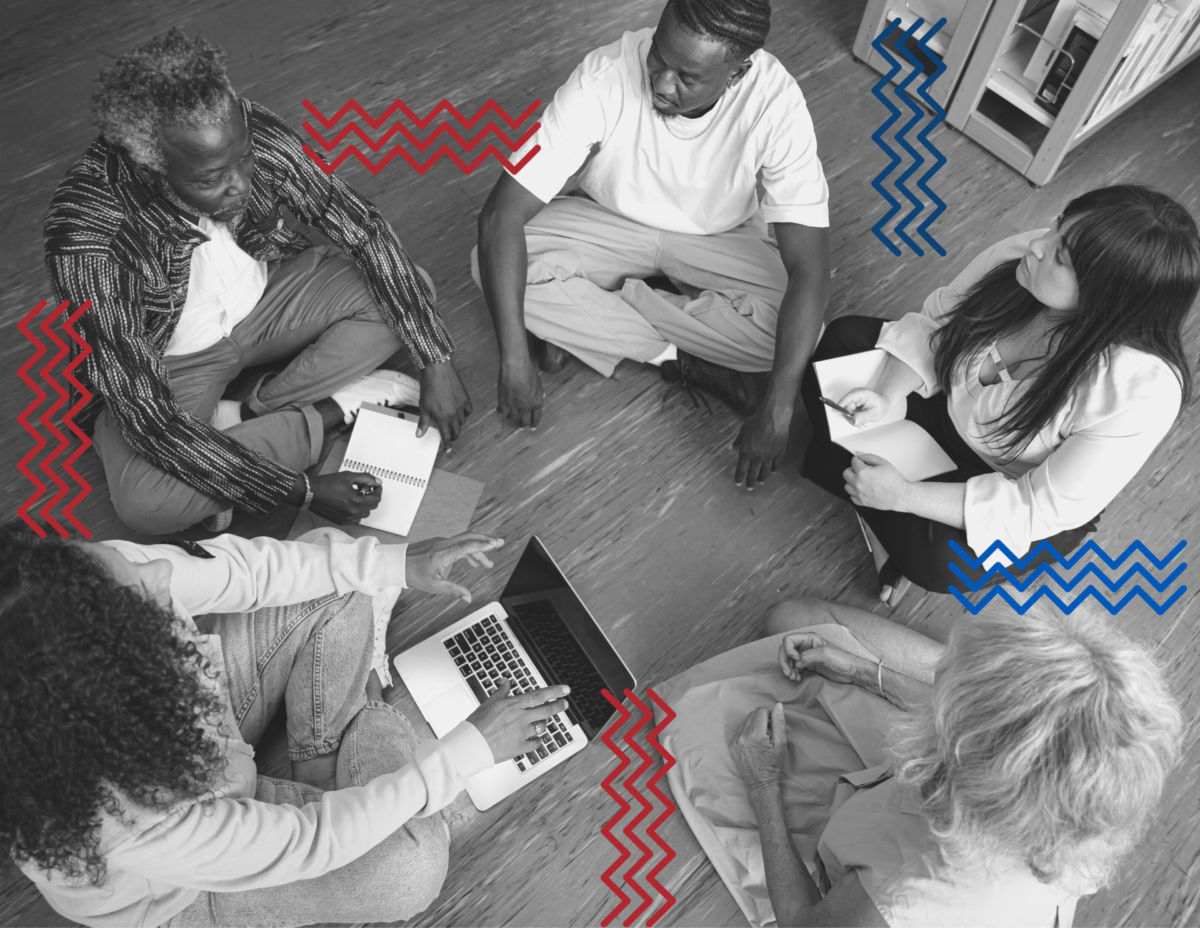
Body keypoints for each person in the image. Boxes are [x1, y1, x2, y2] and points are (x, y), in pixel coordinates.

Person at [0, 521, 570, 928]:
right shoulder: (123, 819)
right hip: (183, 892)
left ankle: (320, 768)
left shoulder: (68, 585)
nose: (156, 568)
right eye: (138, 590)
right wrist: (470, 750)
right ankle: (354, 730)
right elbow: (309, 843)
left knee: (347, 577)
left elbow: (238, 571)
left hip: (197, 733)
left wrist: (396, 564)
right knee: (412, 868)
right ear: (104, 675)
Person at [46, 29, 473, 536]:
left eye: (244, 159)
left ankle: (246, 414)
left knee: (409, 291)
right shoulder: (87, 235)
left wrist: (435, 360)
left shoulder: (238, 129)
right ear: (153, 167)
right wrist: (303, 491)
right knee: (145, 503)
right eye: (211, 179)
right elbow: (150, 419)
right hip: (171, 365)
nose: (242, 185)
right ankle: (330, 409)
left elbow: (361, 227)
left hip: (265, 303)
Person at [655, 596, 1181, 927]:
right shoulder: (1078, 806)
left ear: (955, 766)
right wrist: (862, 671)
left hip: (860, 869)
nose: (939, 682)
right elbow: (955, 712)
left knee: (682, 718)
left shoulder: (907, 893)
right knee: (791, 621)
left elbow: (800, 922)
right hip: (893, 802)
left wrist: (763, 782)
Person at [473, 0, 831, 487]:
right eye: (658, 58)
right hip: (609, 219)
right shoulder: (605, 74)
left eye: (687, 77)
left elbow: (810, 267)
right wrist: (513, 357)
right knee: (488, 262)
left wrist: (780, 404)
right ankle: (678, 357)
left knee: (798, 335)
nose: (662, 83)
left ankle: (585, 319)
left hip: (717, 238)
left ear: (736, 72)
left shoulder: (776, 103)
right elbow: (500, 217)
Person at [798, 184, 1200, 605]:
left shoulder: (1139, 392)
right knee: (841, 342)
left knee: (940, 562)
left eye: (1061, 257)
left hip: (1011, 485)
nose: (1040, 245)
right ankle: (876, 506)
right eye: (1059, 225)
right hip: (947, 410)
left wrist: (904, 495)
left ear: (1107, 301)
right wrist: (887, 392)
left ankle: (871, 495)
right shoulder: (1027, 255)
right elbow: (938, 322)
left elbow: (1034, 506)